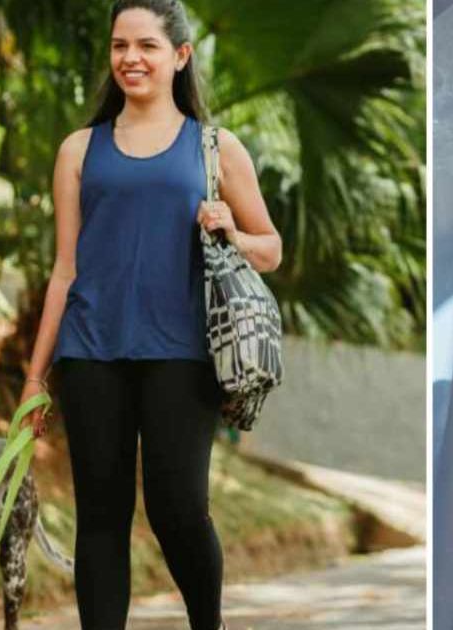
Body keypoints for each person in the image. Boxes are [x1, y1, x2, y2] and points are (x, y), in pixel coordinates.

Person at [17, 1, 281, 628]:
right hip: (90, 354)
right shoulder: (79, 151)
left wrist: (231, 231)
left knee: (178, 509)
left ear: (180, 56)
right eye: (119, 46)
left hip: (182, 354)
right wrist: (34, 378)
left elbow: (269, 246)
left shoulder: (215, 148)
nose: (130, 58)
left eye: (147, 46)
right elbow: (64, 269)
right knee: (101, 518)